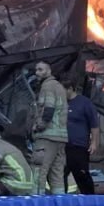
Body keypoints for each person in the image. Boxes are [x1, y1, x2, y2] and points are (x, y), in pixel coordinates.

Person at [30, 61, 68, 195]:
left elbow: (48, 109)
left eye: (40, 70)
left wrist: (38, 127)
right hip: (61, 139)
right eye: (36, 70)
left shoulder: (47, 87)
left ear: (49, 71)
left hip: (47, 138)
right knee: (57, 175)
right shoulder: (60, 87)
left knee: (38, 172)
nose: (37, 73)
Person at [62, 77, 99, 195]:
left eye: (63, 90)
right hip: (62, 145)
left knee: (81, 174)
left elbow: (94, 125)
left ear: (70, 89)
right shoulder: (61, 104)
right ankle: (63, 198)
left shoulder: (84, 103)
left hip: (79, 146)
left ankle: (90, 197)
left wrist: (94, 142)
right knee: (61, 174)